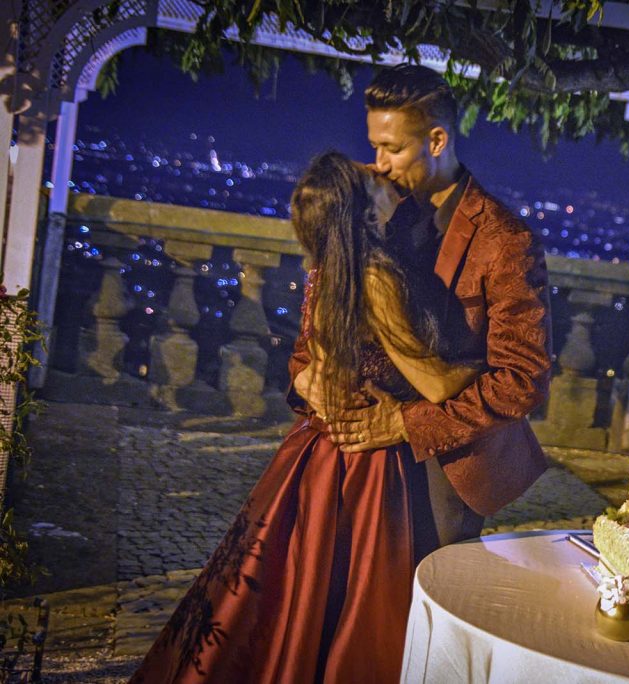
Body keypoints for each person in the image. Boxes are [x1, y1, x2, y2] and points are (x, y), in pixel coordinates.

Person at [130, 152, 480, 683]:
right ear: (360, 210)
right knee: (354, 600)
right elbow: (433, 381)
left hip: (314, 453)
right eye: (373, 181)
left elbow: (320, 361)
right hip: (367, 465)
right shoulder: (376, 280)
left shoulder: (324, 274)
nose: (385, 179)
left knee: (296, 589)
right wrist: (478, 367)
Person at [328, 64, 552, 530]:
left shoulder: (504, 239)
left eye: (392, 148)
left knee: (427, 594)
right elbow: (329, 303)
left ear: (436, 141)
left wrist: (406, 424)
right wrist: (306, 377)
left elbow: (521, 380)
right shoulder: (373, 205)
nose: (379, 163)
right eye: (374, 146)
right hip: (356, 457)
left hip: (446, 470)